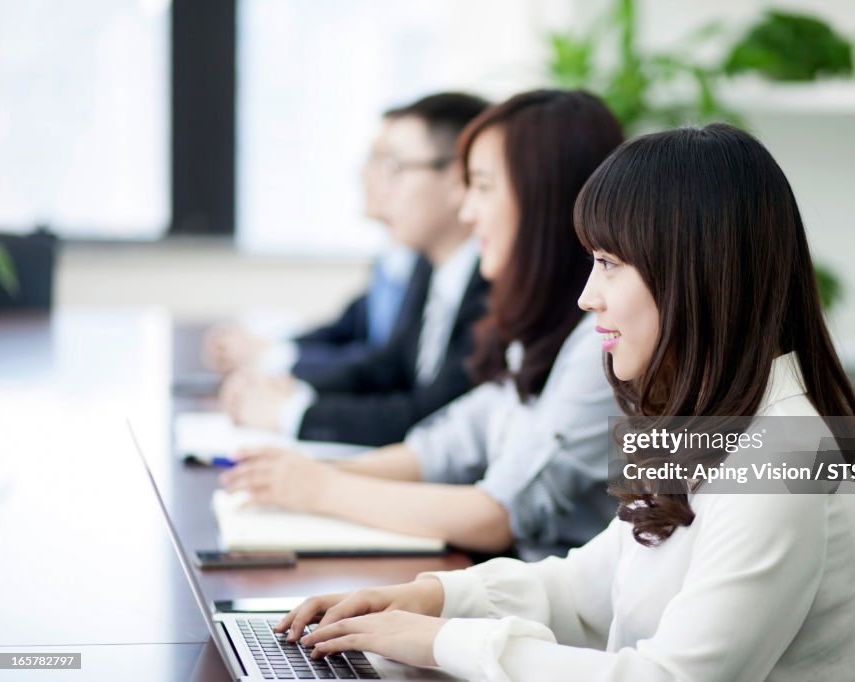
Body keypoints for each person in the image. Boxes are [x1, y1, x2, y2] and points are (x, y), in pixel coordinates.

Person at [270, 124, 855, 681]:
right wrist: (429, 597)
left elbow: (671, 679)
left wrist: (443, 641)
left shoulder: (783, 457)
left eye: (609, 263)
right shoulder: (705, 422)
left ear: (694, 274)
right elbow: (587, 590)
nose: (587, 296)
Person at [220, 90, 626, 560]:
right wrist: (303, 475)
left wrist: (323, 488)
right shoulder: (536, 331)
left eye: (482, 187)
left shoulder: (599, 344)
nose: (466, 210)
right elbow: (447, 443)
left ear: (543, 200)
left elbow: (497, 515)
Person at [217, 92, 492, 446]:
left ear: (457, 179)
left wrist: (293, 412)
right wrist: (293, 390)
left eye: (393, 167)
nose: (374, 182)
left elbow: (432, 413)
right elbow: (385, 368)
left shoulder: (491, 282)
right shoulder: (430, 266)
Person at [203, 117, 418, 382]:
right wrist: (269, 347)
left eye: (387, 162)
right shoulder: (392, 258)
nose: (364, 173)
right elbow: (344, 332)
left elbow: (382, 365)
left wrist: (273, 356)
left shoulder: (428, 266)